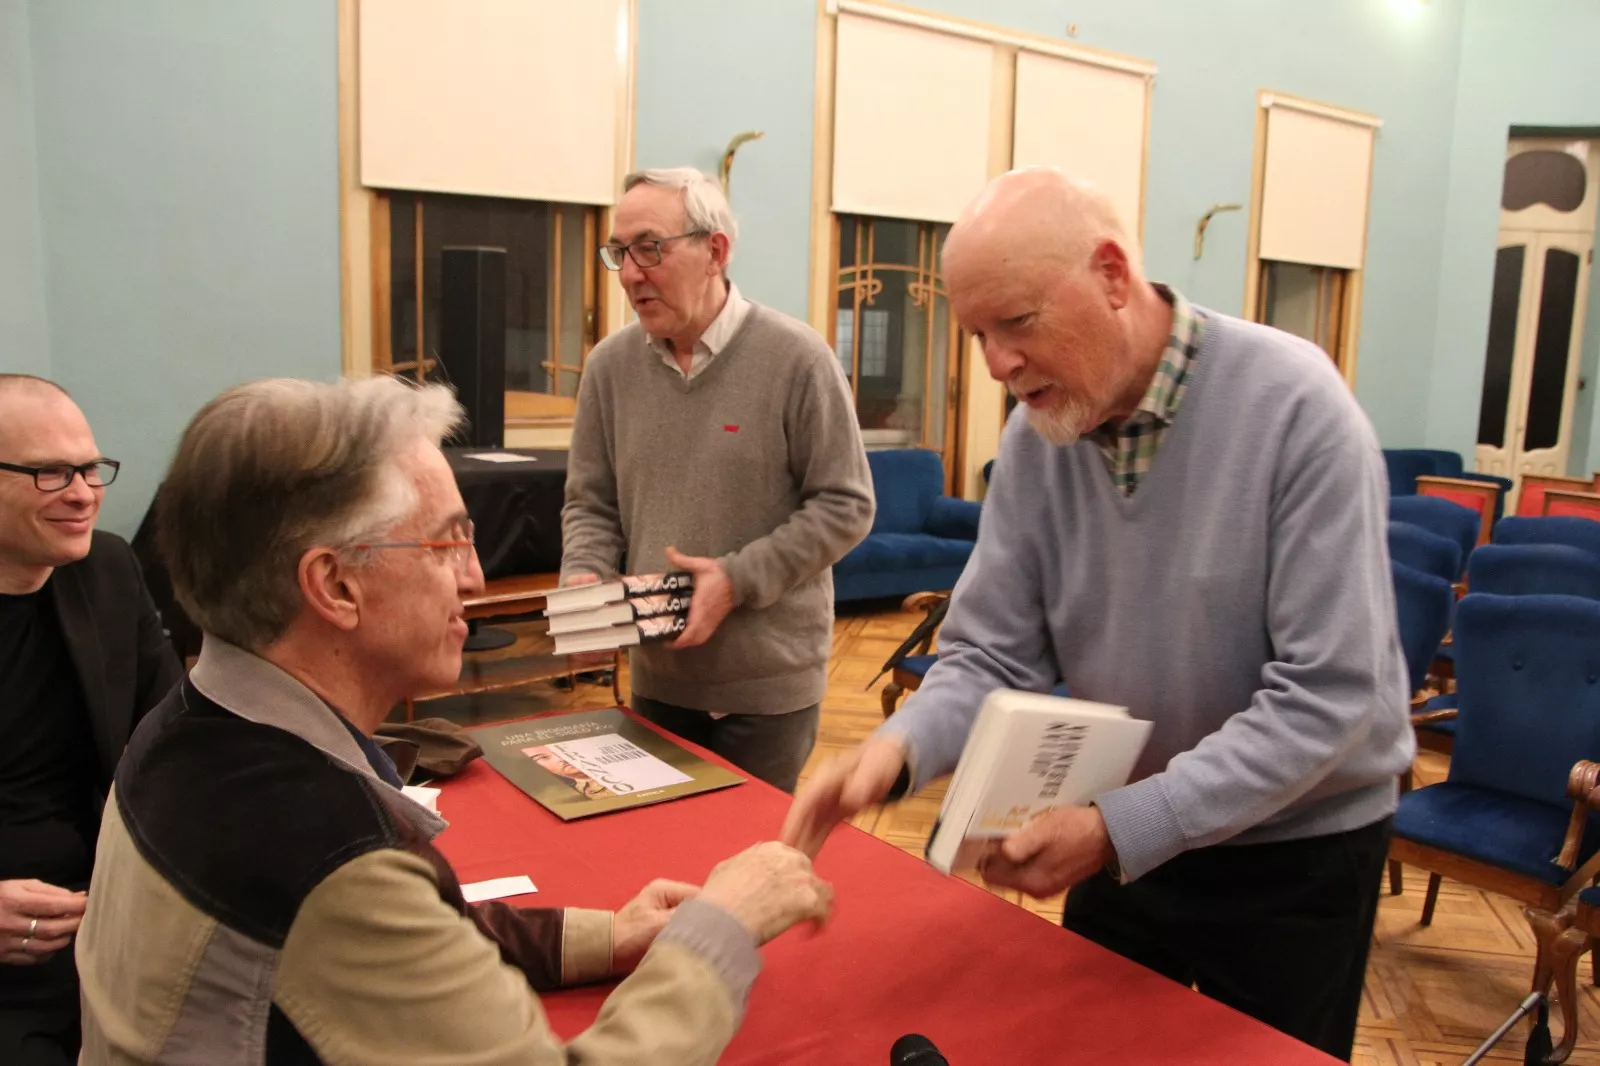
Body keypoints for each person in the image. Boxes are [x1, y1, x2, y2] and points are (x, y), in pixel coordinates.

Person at [783, 169, 1413, 1061]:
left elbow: (1328, 697)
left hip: (1292, 855)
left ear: (1113, 276)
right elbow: (990, 655)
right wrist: (894, 753)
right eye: (976, 335)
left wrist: (1121, 826)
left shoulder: (1297, 409)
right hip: (1125, 830)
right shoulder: (1038, 440)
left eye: (1018, 322)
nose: (996, 365)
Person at [75, 376, 833, 1064]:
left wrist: (614, 934)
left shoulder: (183, 726)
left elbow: (415, 931)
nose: (475, 577)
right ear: (335, 585)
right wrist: (720, 934)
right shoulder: (322, 855)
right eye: (449, 542)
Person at [562, 167, 874, 793]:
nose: (629, 272)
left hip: (768, 687)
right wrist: (586, 576)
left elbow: (846, 505)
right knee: (661, 862)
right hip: (657, 679)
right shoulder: (609, 368)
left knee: (743, 874)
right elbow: (591, 505)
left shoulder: (798, 358)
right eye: (619, 253)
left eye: (650, 247)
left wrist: (734, 580)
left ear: (715, 250)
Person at [0, 375, 181, 1066]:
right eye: (49, 472)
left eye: (88, 468)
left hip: (114, 918)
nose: (81, 492)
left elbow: (169, 738)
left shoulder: (107, 568)